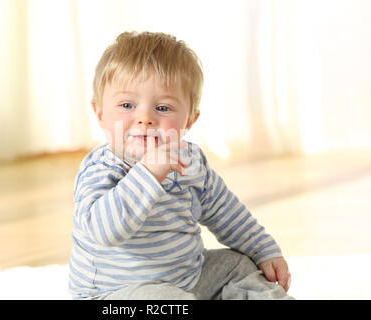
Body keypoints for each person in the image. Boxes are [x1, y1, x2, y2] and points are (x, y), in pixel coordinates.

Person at [68, 31, 293, 300]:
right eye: (127, 105)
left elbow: (226, 211)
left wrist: (263, 250)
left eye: (163, 108)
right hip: (116, 294)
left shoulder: (189, 160)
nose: (145, 118)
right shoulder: (101, 167)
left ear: (189, 120)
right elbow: (103, 232)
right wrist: (148, 173)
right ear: (100, 114)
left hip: (189, 278)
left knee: (239, 265)